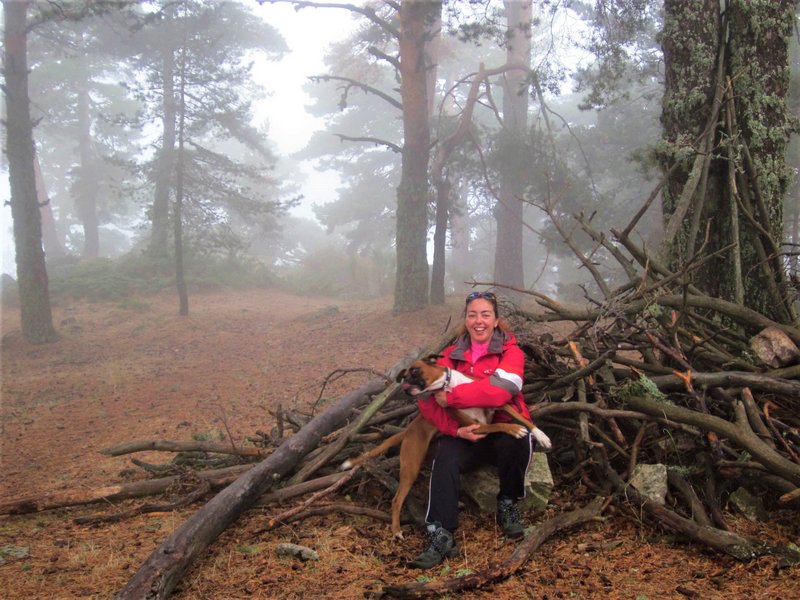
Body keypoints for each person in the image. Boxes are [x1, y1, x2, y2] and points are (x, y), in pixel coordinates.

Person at [409, 290, 549, 569]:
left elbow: (501, 392)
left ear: (496, 320)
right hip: (467, 433)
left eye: (486, 314)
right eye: (472, 315)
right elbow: (425, 400)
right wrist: (454, 429)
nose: (479, 321)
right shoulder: (451, 355)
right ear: (466, 320)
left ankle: (507, 502)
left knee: (519, 439)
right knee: (445, 456)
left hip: (499, 430)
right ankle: (441, 532)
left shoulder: (511, 352)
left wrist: (453, 397)